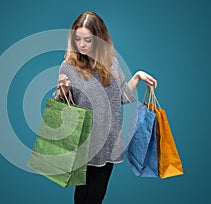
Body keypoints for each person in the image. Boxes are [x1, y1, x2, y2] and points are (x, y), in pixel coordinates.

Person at [55, 11, 157, 204]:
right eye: (77, 39)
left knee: (96, 195)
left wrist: (137, 77)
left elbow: (122, 97)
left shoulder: (111, 63)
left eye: (88, 39)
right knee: (83, 194)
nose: (82, 45)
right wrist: (64, 91)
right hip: (83, 142)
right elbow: (62, 108)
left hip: (108, 142)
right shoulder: (68, 66)